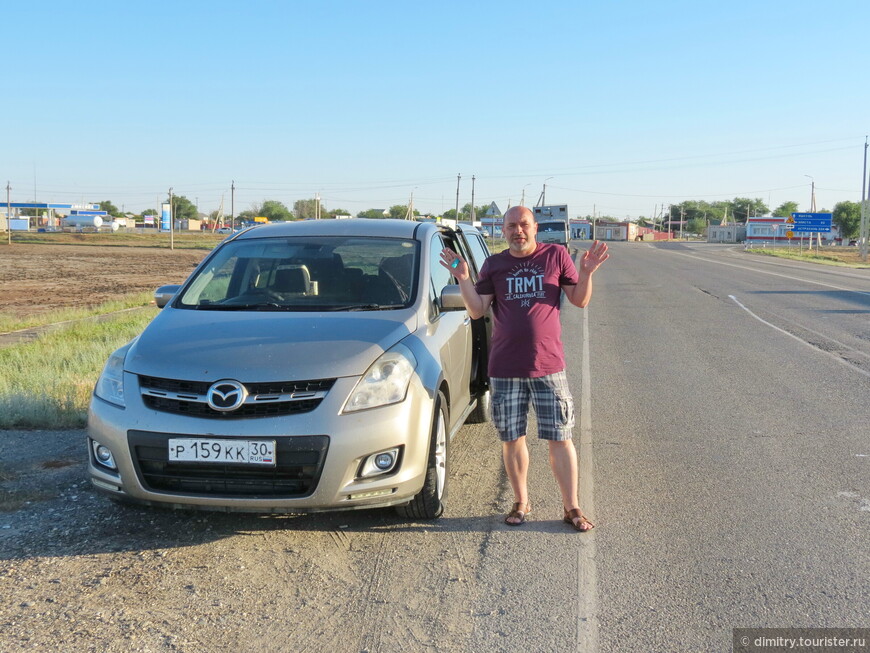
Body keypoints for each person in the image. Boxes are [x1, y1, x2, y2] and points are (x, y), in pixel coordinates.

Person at [440, 206, 609, 531]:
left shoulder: (556, 255)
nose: (519, 230)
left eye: (524, 224)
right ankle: (521, 500)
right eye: (512, 225)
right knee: (512, 438)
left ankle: (571, 506)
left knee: (561, 437)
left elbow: (579, 300)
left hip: (549, 366)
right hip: (505, 368)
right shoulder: (494, 264)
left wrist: (586, 273)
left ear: (535, 227)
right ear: (503, 230)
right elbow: (477, 311)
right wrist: (463, 279)